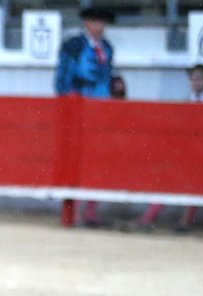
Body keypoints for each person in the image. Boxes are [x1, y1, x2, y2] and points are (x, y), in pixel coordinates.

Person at [127, 64, 203, 233]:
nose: (195, 82)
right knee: (165, 177)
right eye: (193, 78)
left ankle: (185, 220)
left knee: (196, 180)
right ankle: (149, 218)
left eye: (200, 78)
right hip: (183, 154)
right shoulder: (183, 103)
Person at [55, 8, 115, 228]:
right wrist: (69, 108)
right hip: (78, 112)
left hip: (101, 112)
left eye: (103, 22)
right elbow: (62, 80)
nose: (100, 26)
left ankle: (91, 212)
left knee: (96, 161)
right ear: (86, 23)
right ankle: (72, 213)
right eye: (96, 21)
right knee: (75, 162)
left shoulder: (107, 47)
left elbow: (106, 78)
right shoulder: (73, 46)